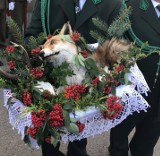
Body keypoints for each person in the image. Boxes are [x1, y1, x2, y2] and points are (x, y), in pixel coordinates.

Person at [25, 0, 122, 156]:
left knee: (79, 132)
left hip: (87, 84)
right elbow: (32, 34)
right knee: (49, 133)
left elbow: (116, 44)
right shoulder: (46, 2)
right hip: (51, 78)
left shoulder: (112, 4)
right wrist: (33, 55)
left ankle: (77, 151)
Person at [109, 0, 160, 156]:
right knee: (120, 134)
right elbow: (115, 41)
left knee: (149, 136)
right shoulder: (130, 5)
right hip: (134, 87)